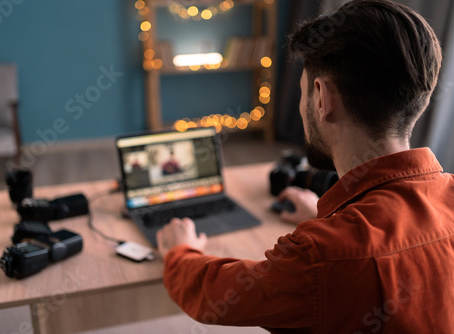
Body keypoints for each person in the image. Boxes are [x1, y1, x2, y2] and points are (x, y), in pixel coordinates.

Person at [156, 0, 454, 332]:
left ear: (322, 98)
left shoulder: (319, 256)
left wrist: (179, 251)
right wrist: (326, 219)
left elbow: (217, 298)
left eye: (302, 94)